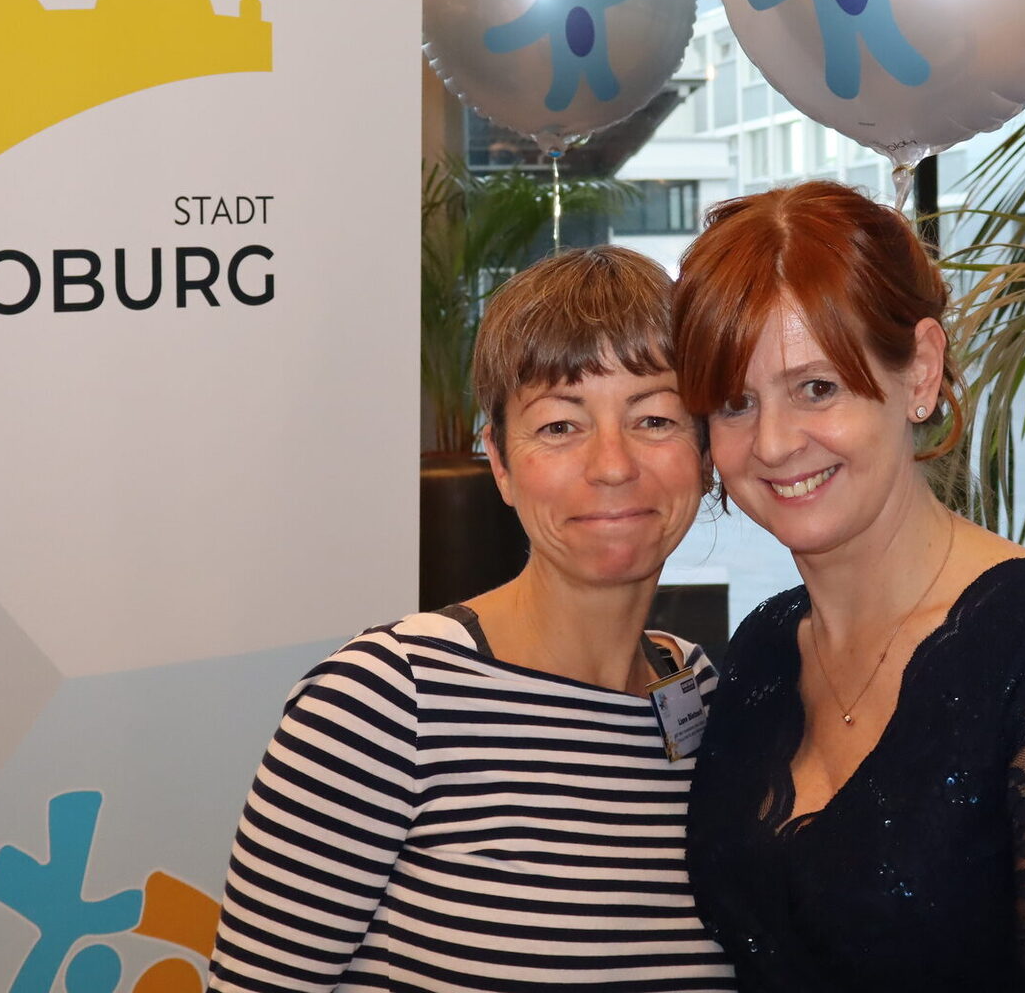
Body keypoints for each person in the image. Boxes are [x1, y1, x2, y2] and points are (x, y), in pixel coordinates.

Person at [672, 181, 1025, 992]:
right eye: (736, 403)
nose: (772, 444)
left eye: (817, 388)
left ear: (920, 371)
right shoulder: (762, 653)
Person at [208, 245, 735, 993]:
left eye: (654, 418)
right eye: (560, 427)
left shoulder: (705, 694)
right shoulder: (388, 699)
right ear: (500, 462)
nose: (613, 465)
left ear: (706, 454)